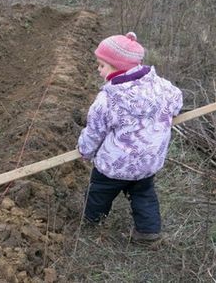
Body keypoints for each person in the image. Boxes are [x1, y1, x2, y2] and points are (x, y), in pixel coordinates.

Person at [77, 32, 183, 241]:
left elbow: (94, 132)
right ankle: (148, 232)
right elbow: (177, 100)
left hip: (114, 166)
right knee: (144, 195)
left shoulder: (108, 100)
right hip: (147, 162)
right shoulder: (161, 86)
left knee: (99, 193)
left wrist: (85, 151)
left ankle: (92, 221)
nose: (98, 70)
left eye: (102, 66)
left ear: (118, 67)